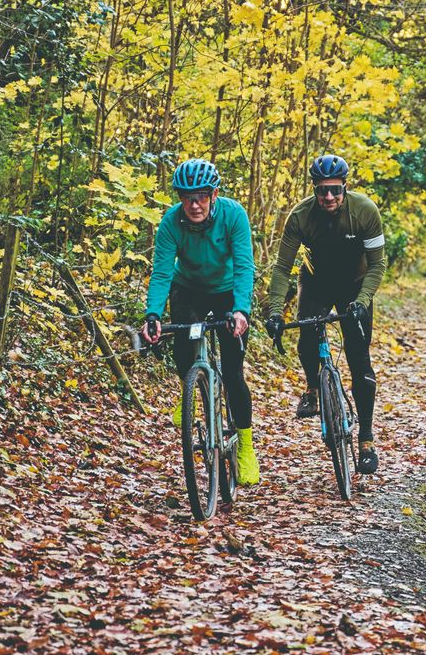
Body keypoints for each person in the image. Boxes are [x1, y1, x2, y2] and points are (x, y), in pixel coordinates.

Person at [263, 154, 385, 475]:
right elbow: (281, 268)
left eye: (334, 190)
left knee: (359, 360)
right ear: (314, 190)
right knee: (307, 336)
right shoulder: (301, 216)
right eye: (321, 190)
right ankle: (314, 389)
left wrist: (362, 300)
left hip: (355, 286)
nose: (328, 197)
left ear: (345, 187)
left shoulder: (365, 212)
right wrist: (275, 310)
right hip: (316, 282)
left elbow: (377, 265)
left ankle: (366, 440)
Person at [141, 158, 259, 485]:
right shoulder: (171, 223)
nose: (194, 204)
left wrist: (240, 311)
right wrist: (152, 314)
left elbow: (244, 266)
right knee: (184, 344)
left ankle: (246, 447)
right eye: (187, 197)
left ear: (214, 194)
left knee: (234, 373)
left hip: (226, 291)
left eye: (202, 196)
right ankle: (190, 388)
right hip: (188, 289)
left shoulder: (234, 215)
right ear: (179, 197)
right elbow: (162, 272)